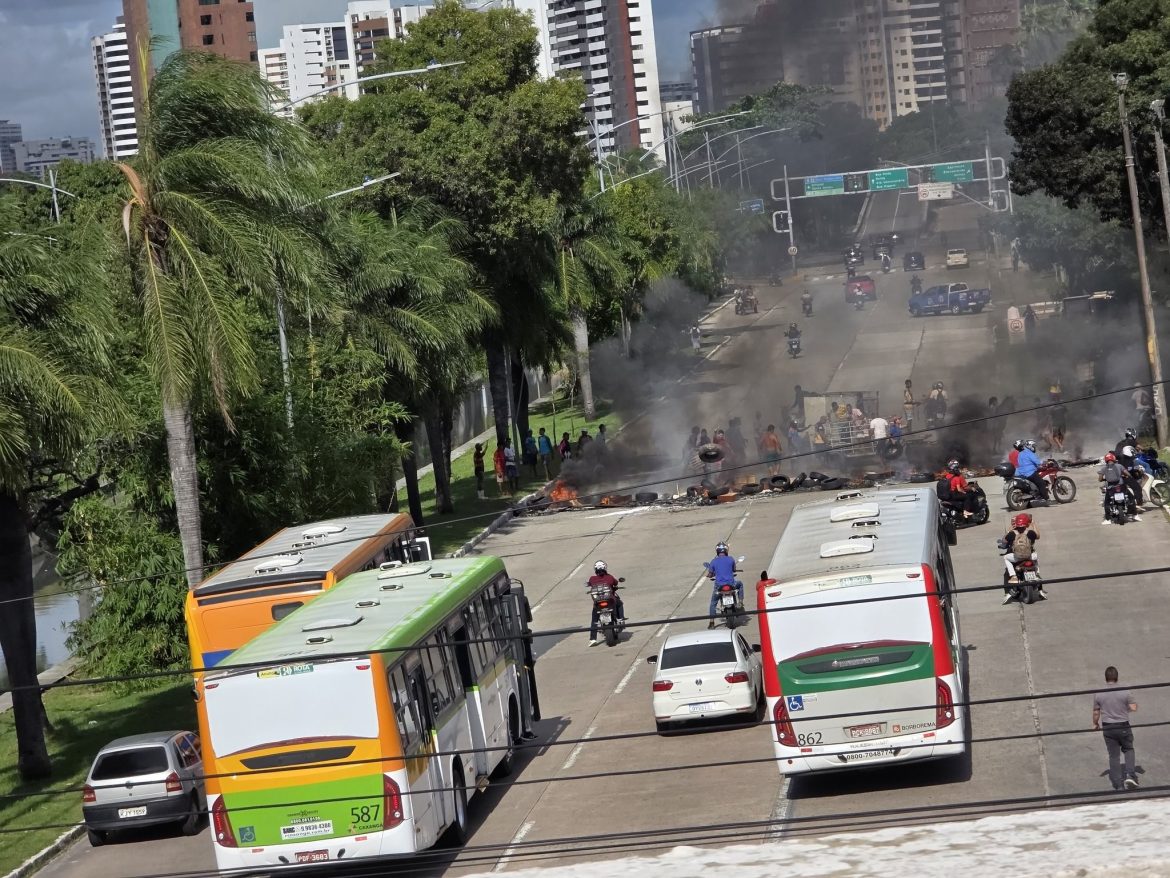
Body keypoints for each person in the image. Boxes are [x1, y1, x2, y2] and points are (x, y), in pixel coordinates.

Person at [1092, 666, 1139, 791]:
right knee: (1128, 749)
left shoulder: (1099, 693)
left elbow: (1096, 712)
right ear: (1117, 677)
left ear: (1106, 678)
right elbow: (1133, 707)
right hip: (1123, 725)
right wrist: (1124, 709)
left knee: (1114, 756)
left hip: (1108, 727)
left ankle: (1118, 784)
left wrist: (1095, 724)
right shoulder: (1125, 691)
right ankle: (1130, 775)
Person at [1000, 512, 1043, 603]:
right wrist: (1033, 523)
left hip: (1017, 557)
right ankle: (1037, 574)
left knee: (1006, 558)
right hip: (1029, 556)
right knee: (1035, 556)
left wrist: (1011, 529)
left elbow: (1004, 541)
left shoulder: (1012, 534)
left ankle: (1013, 576)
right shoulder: (1030, 533)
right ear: (1026, 523)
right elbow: (1038, 536)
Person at [585, 560, 625, 647]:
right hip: (610, 600)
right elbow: (616, 583)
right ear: (605, 568)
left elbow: (589, 584)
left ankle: (592, 639)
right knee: (620, 604)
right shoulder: (609, 577)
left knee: (594, 619)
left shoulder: (592, 578)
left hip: (598, 603)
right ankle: (621, 619)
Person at [705, 542, 743, 628]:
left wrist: (709, 575)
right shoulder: (731, 559)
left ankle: (711, 622)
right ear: (726, 550)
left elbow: (710, 574)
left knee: (713, 603)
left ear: (717, 551)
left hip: (719, 586)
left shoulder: (714, 561)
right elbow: (734, 569)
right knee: (740, 584)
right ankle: (740, 602)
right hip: (731, 584)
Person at [1099, 451, 1140, 523]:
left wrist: (1103, 479)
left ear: (1106, 460)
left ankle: (1108, 519)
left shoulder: (1104, 468)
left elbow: (1100, 479)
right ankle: (1135, 515)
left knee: (1106, 503)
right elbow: (1128, 474)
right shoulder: (1119, 466)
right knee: (1131, 498)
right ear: (1114, 459)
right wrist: (1126, 476)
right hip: (1121, 486)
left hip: (1110, 488)